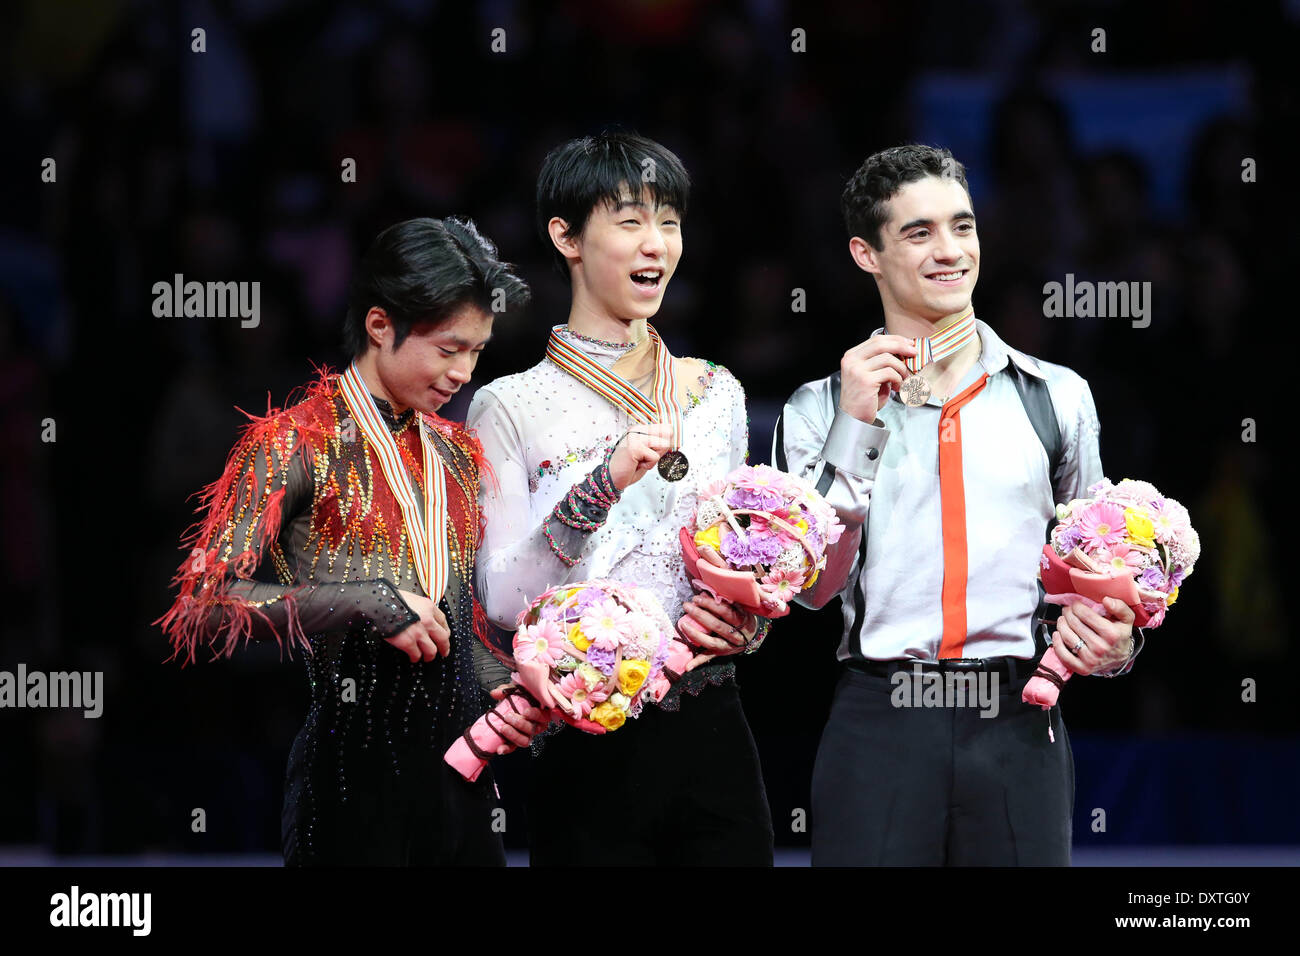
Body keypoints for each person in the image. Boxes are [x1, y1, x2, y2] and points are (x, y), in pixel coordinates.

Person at [774, 145, 1144, 866]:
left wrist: (1119, 642)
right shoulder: (818, 406)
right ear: (866, 253)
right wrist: (856, 428)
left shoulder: (1057, 395)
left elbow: (1100, 570)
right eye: (919, 233)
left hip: (1018, 713)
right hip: (878, 719)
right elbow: (813, 590)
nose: (950, 251)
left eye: (962, 226)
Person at [158, 217, 548, 866]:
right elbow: (204, 603)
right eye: (448, 348)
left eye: (477, 351)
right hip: (348, 787)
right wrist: (365, 600)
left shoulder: (458, 455)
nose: (463, 372)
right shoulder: (291, 443)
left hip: (465, 786)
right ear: (379, 325)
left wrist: (517, 682)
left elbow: (468, 616)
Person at [468, 131, 775, 865]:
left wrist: (748, 621)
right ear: (566, 237)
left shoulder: (714, 393)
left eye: (669, 222)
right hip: (584, 737)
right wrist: (601, 484)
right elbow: (505, 597)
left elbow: (737, 564)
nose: (657, 245)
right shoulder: (509, 405)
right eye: (631, 221)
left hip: (712, 725)